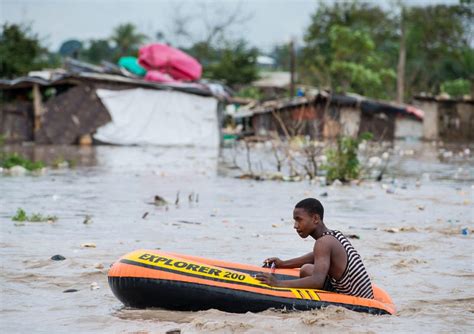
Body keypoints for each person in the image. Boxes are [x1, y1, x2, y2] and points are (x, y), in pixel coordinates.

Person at [256, 198, 374, 299]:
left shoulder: (323, 242)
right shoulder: (332, 235)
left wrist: (277, 283)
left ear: (315, 219)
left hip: (357, 299)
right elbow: (314, 256)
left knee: (308, 271)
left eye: (299, 219)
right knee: (306, 269)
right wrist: (282, 263)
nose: (295, 226)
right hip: (356, 292)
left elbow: (317, 281)